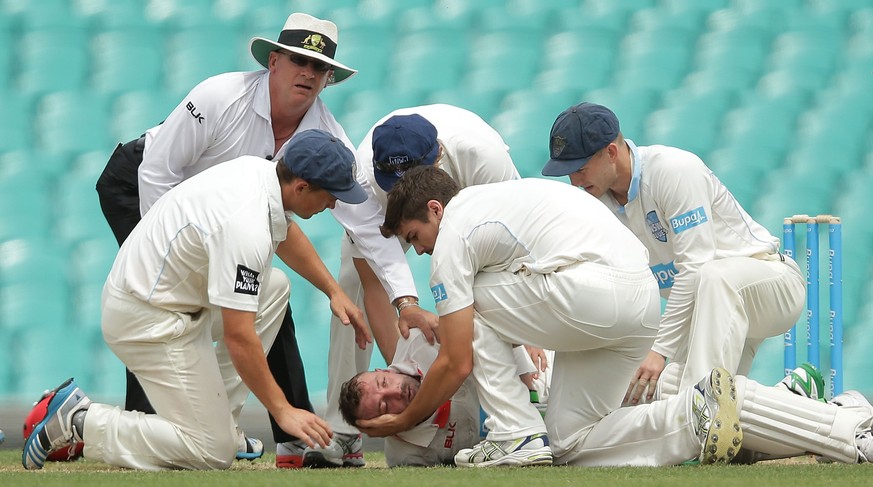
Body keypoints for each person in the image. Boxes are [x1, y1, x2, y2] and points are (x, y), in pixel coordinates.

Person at [94, 12, 360, 467]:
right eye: (299, 59)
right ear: (273, 61)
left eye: (319, 68)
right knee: (163, 305)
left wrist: (341, 290)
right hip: (142, 183)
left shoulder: (324, 140)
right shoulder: (219, 96)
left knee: (266, 291)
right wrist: (162, 252)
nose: (308, 73)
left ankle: (224, 423)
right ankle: (154, 429)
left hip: (215, 212)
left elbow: (297, 227)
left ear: (329, 79)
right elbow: (157, 172)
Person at [23, 130, 371, 471]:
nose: (334, 203)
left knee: (274, 287)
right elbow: (239, 337)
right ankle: (80, 420)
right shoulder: (244, 225)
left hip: (169, 301)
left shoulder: (259, 173)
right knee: (211, 452)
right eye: (332, 194)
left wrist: (334, 290)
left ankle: (223, 427)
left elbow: (286, 232)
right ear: (301, 187)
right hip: (147, 320)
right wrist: (282, 409)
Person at [358, 165, 750, 467]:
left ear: (435, 209)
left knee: (466, 301)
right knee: (567, 440)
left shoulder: (454, 234)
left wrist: (404, 418)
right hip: (640, 304)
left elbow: (457, 360)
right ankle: (692, 414)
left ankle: (514, 433)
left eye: (414, 237)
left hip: (593, 295)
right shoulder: (496, 198)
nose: (421, 250)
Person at [541, 102, 806, 406]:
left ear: (611, 153)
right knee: (672, 396)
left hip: (772, 284)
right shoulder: (595, 203)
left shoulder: (673, 170)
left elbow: (695, 268)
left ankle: (699, 418)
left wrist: (660, 349)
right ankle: (796, 397)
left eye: (580, 168)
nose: (574, 181)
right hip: (707, 310)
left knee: (711, 280)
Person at [311, 105, 521, 467]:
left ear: (438, 156)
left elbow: (514, 253)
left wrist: (524, 342)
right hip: (391, 215)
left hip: (478, 210)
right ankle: (343, 432)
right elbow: (374, 285)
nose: (404, 192)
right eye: (395, 184)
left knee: (489, 286)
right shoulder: (368, 181)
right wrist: (409, 361)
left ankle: (521, 405)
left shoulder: (482, 158)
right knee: (350, 289)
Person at [338, 330, 541, 466]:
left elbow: (485, 333)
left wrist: (526, 349)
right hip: (523, 438)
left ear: (383, 370)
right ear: (380, 426)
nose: (396, 391)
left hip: (537, 374)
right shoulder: (405, 455)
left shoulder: (419, 340)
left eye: (384, 382)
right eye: (384, 405)